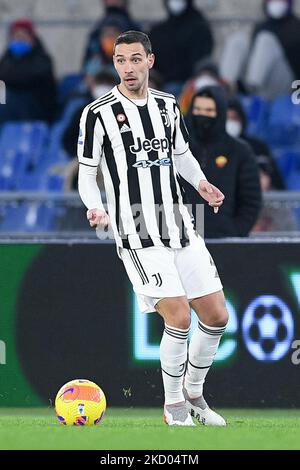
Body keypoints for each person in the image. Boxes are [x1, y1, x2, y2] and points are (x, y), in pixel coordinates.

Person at [78, 31, 228, 426]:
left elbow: (180, 155)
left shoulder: (167, 106)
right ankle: (173, 405)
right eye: (120, 61)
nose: (127, 68)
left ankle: (195, 393)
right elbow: (87, 175)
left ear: (150, 61)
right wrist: (95, 207)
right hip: (137, 230)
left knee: (216, 315)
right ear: (115, 65)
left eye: (134, 59)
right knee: (178, 316)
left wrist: (201, 184)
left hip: (179, 223)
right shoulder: (97, 113)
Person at [182, 86, 262, 238]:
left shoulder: (240, 151)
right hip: (180, 238)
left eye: (209, 111)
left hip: (223, 241)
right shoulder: (178, 148)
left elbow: (251, 201)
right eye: (197, 109)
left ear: (220, 113)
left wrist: (234, 232)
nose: (202, 115)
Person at [219, 0, 300, 99]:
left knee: (265, 39)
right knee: (238, 40)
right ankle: (225, 85)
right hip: (258, 82)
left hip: (286, 84)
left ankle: (252, 86)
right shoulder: (262, 26)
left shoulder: (296, 27)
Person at [149, 0, 214, 96]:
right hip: (161, 84)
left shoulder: (200, 28)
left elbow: (202, 61)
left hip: (190, 84)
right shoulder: (158, 31)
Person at [0, 18, 56, 123]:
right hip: (12, 108)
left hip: (35, 109)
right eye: (16, 37)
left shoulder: (42, 60)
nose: (19, 41)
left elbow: (25, 78)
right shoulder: (7, 58)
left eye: (23, 37)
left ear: (32, 38)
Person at [226, 97, 285, 190]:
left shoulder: (258, 147)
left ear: (242, 120)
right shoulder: (211, 147)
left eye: (234, 118)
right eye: (226, 119)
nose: (230, 123)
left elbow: (276, 183)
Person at [83, 0, 141, 69]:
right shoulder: (96, 31)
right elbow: (87, 67)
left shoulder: (134, 29)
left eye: (114, 34)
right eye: (107, 34)